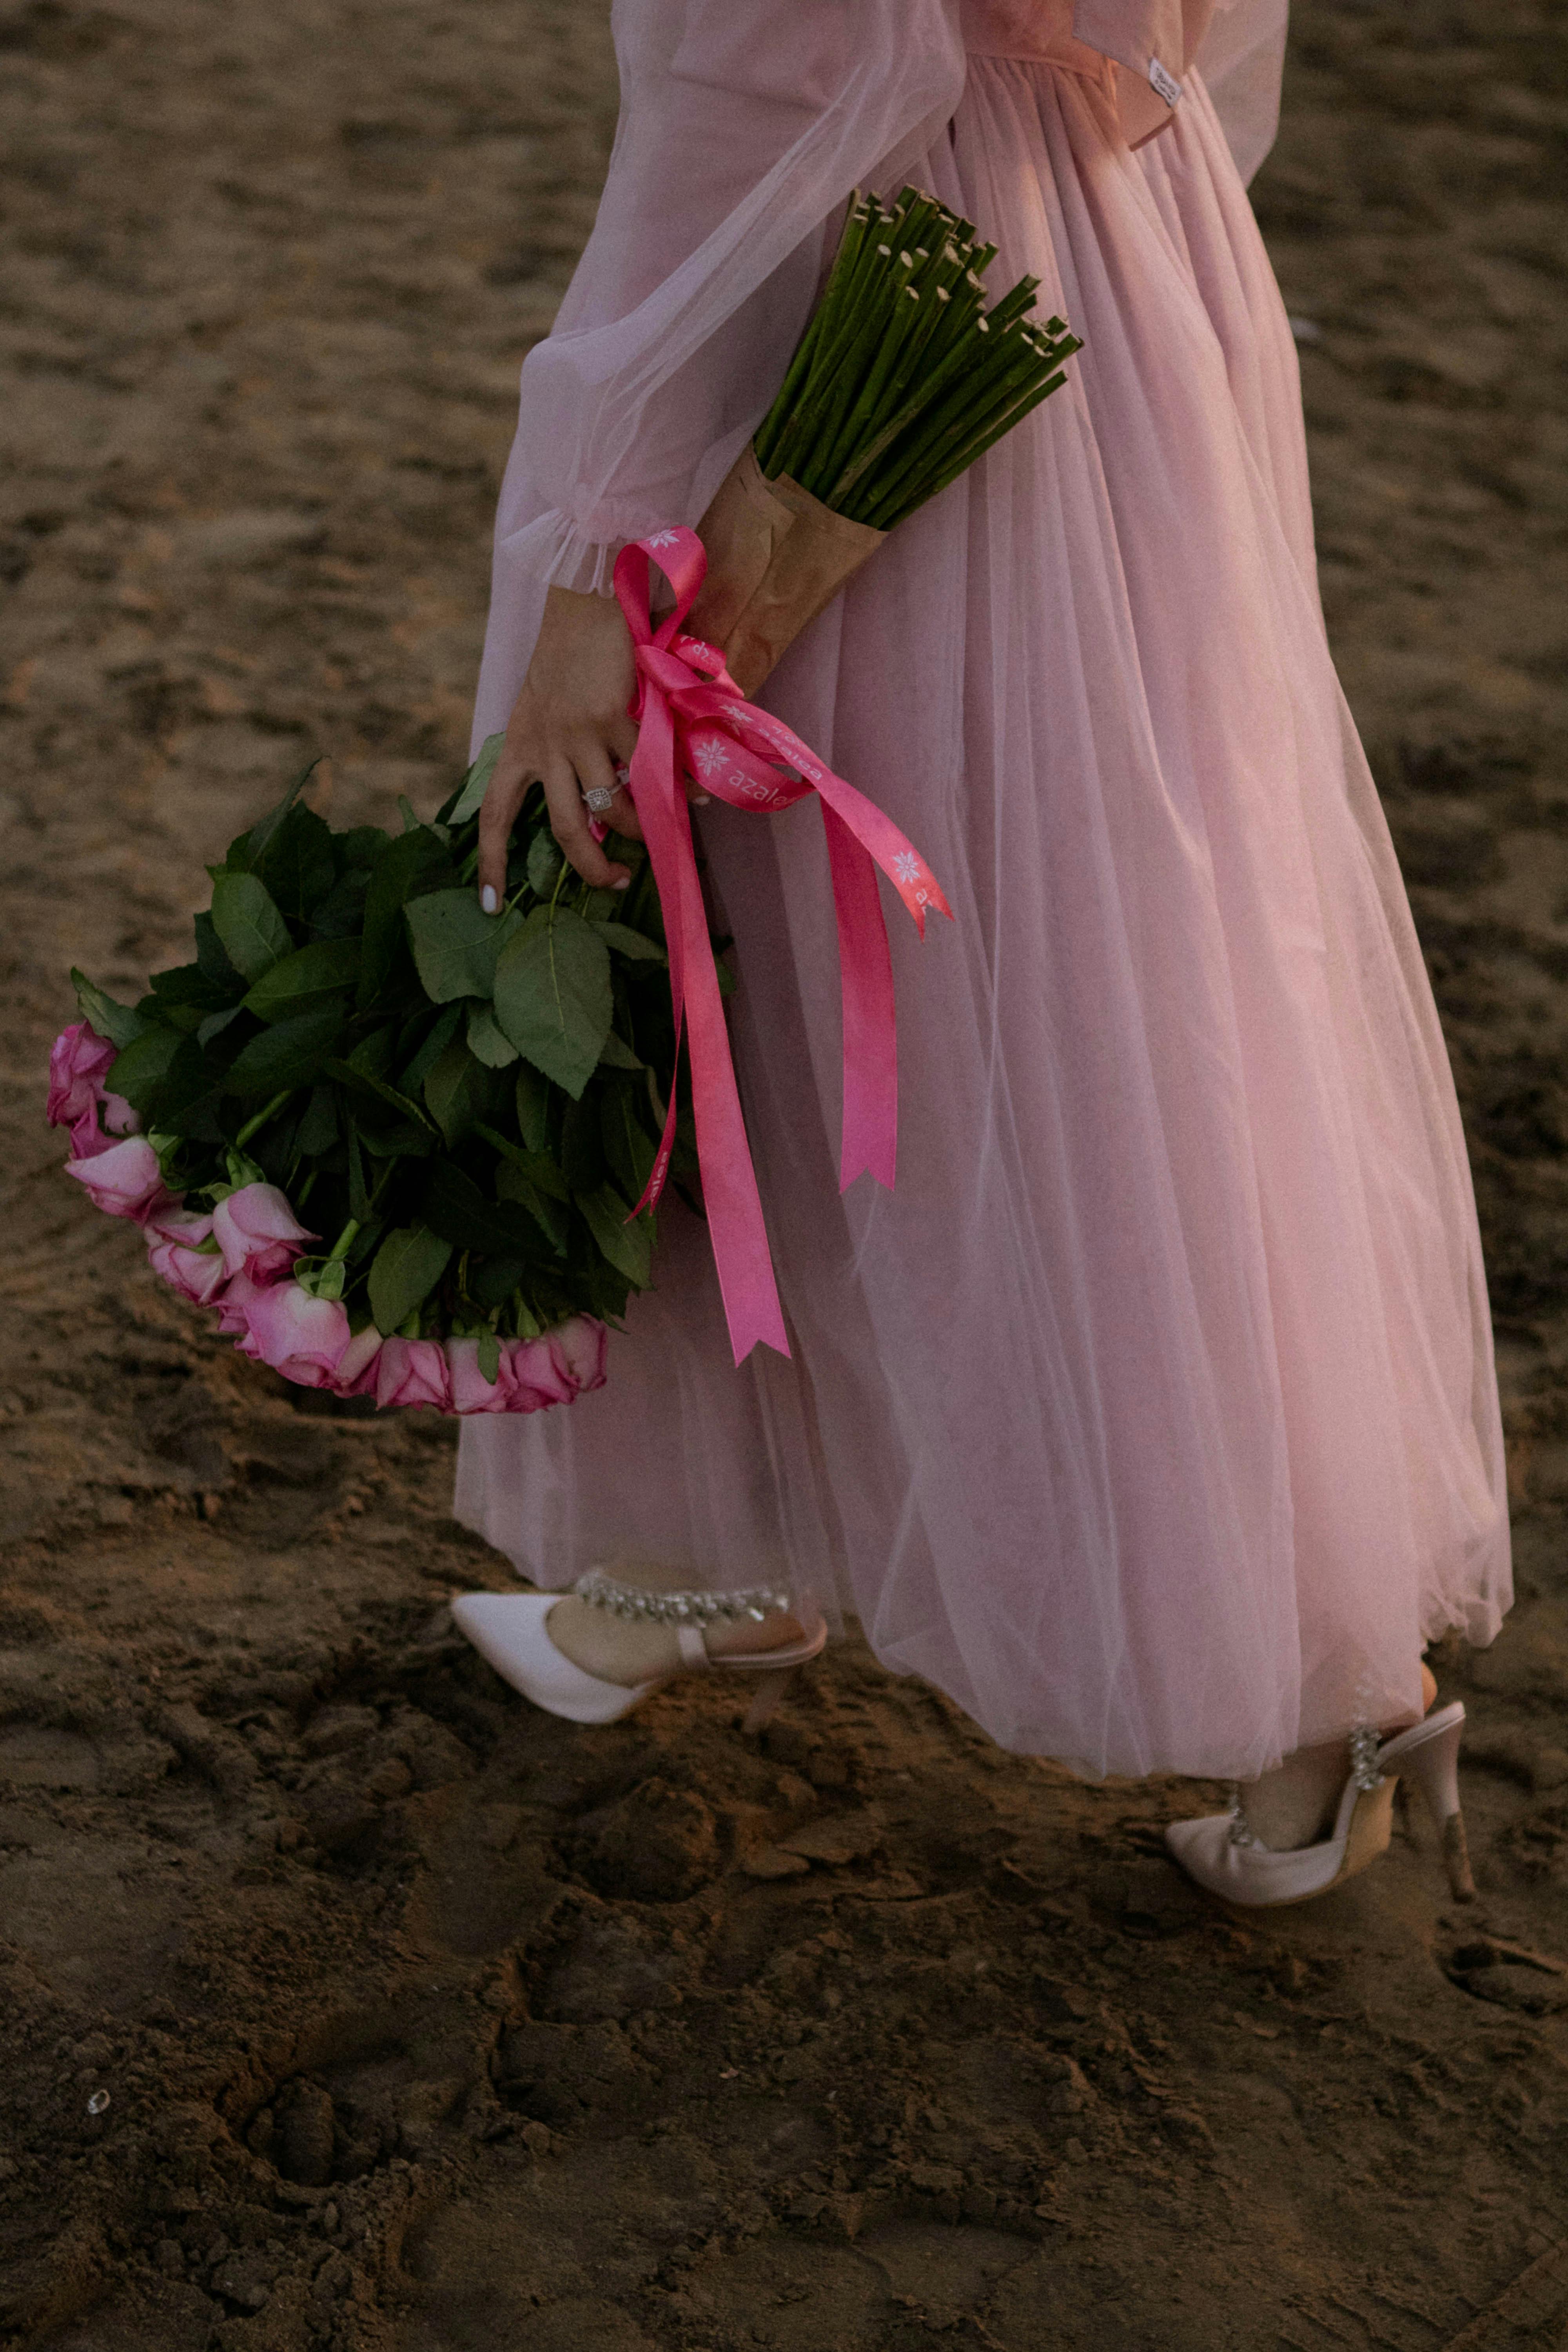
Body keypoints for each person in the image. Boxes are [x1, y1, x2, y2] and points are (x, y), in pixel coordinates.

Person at [447, 0, 1512, 1907]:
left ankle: (1308, 1677)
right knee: (1124, 954)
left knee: (928, 976)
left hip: (869, 304)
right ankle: (725, 1541)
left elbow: (763, 84)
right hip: (1112, 272)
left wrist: (597, 542)